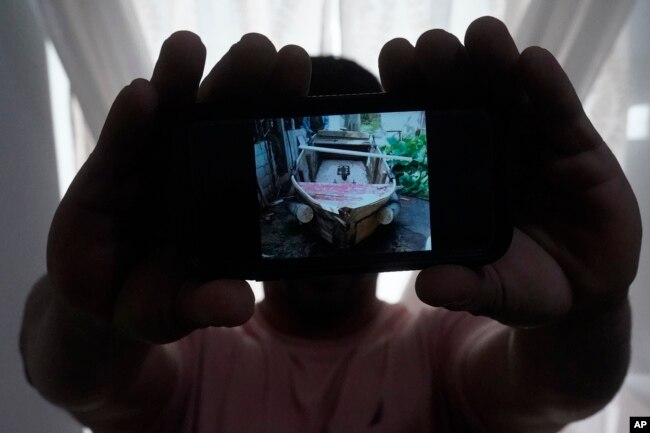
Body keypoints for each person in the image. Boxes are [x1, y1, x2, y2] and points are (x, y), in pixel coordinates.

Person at [20, 16, 641, 433]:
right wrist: (85, 313)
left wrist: (588, 312)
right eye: (323, 169)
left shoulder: (438, 342)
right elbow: (79, 381)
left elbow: (557, 391)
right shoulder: (196, 349)